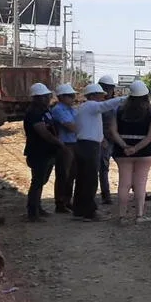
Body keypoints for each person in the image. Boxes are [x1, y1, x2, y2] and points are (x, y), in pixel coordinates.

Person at [73, 83, 127, 222]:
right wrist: (125, 98)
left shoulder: (84, 109)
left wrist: (101, 139)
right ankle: (89, 212)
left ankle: (79, 210)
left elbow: (91, 126)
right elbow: (105, 106)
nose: (102, 98)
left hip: (84, 144)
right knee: (90, 180)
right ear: (92, 96)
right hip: (89, 147)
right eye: (99, 95)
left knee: (82, 179)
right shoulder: (91, 106)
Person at [109, 80, 151, 224]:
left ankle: (122, 216)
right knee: (140, 183)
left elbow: (113, 131)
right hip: (145, 151)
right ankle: (139, 215)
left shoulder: (118, 109)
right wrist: (136, 148)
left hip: (122, 151)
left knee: (124, 183)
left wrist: (125, 146)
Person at [23, 83, 66, 222]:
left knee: (42, 181)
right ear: (38, 98)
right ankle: (32, 212)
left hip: (48, 151)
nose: (48, 98)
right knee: (37, 181)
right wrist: (58, 142)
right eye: (45, 96)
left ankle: (37, 208)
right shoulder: (33, 113)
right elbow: (43, 132)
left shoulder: (45, 110)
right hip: (38, 152)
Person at [51, 84, 78, 214]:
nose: (73, 98)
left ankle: (67, 200)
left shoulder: (71, 109)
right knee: (63, 174)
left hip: (73, 144)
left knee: (71, 174)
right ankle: (60, 203)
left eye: (73, 95)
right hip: (65, 145)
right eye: (70, 96)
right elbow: (71, 126)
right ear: (61, 97)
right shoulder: (58, 110)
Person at [97, 75, 117, 205]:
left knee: (127, 166)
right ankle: (106, 195)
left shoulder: (116, 104)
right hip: (104, 140)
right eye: (105, 88)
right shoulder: (97, 105)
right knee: (103, 168)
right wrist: (101, 138)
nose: (107, 91)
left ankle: (136, 190)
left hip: (117, 139)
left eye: (109, 89)